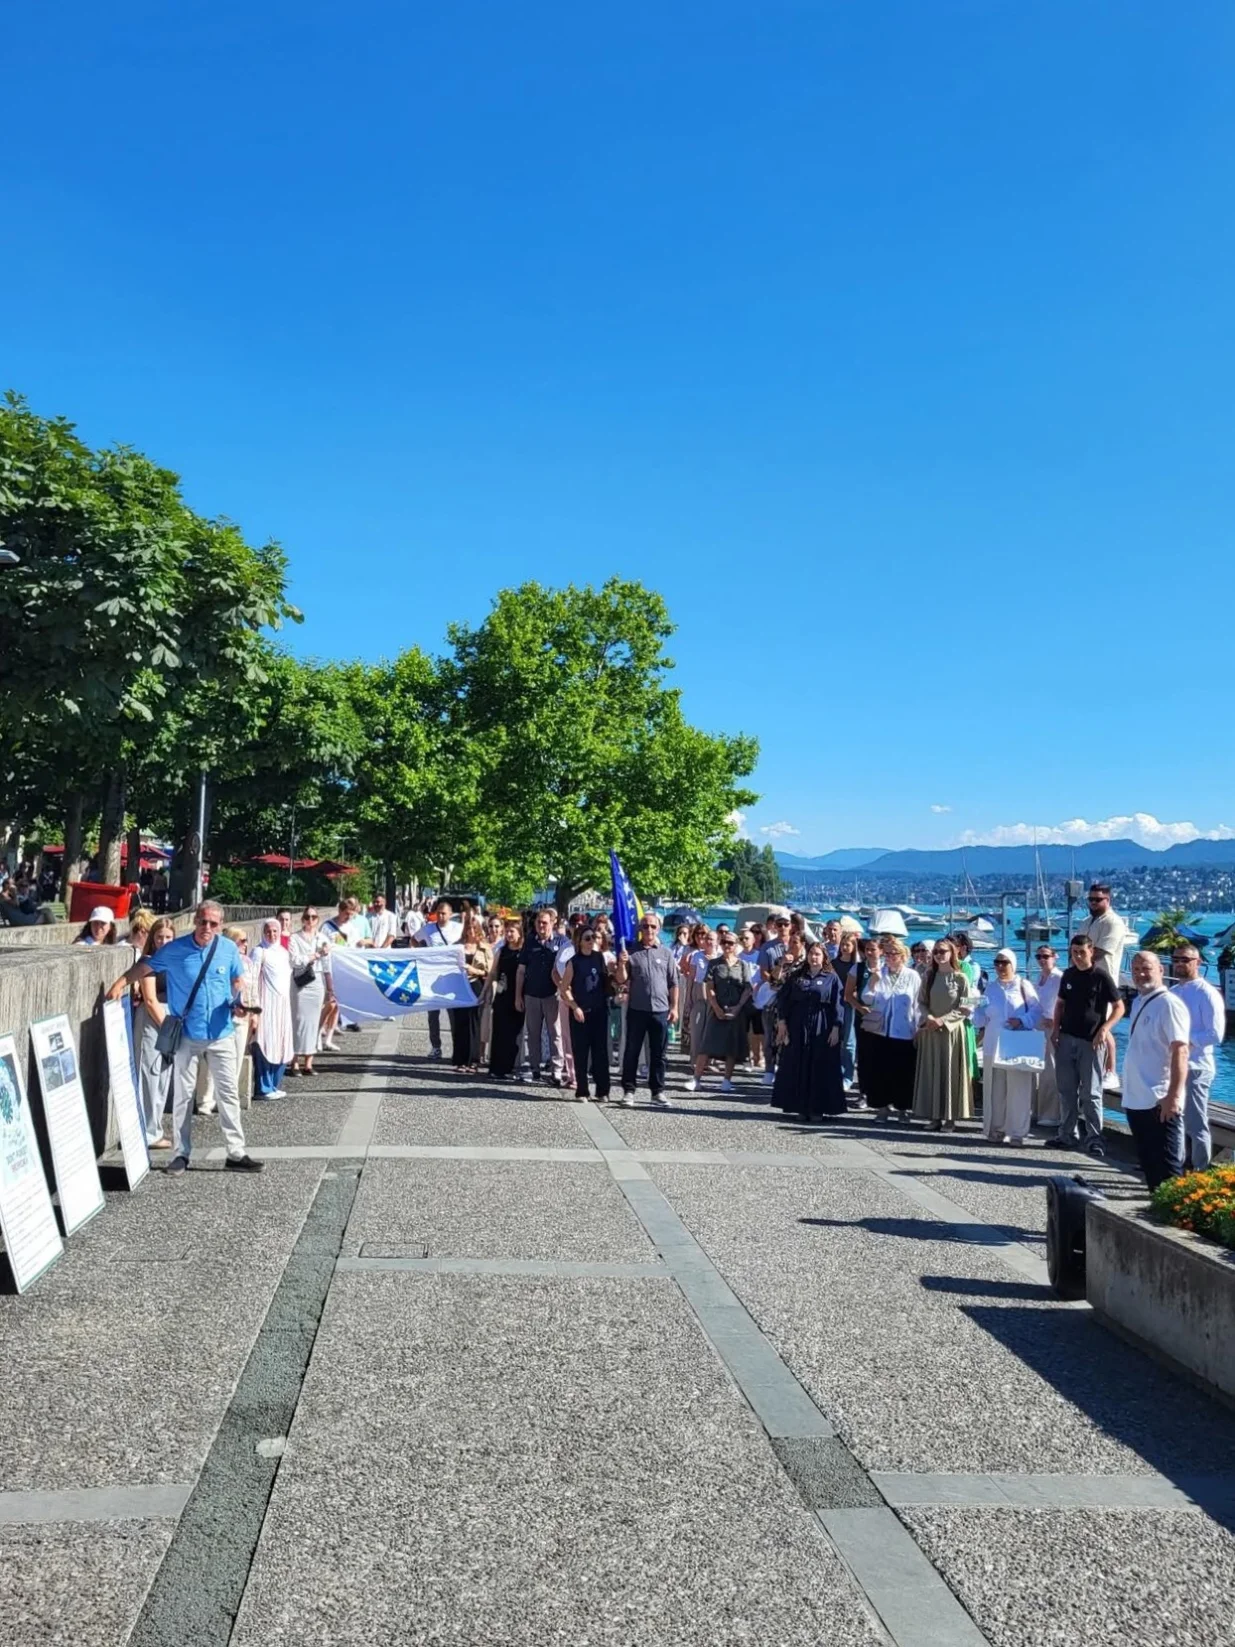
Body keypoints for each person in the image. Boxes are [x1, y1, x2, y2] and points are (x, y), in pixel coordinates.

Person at [104, 900, 262, 1175]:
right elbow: (147, 966)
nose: (207, 928)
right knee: (183, 1097)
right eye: (203, 922)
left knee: (228, 1095)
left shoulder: (226, 948)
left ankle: (236, 1152)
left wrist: (238, 1000)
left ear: (220, 925)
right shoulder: (176, 950)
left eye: (213, 923)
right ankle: (181, 1154)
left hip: (221, 1032)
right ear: (195, 922)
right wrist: (121, 982)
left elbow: (237, 979)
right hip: (188, 1034)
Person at [1047, 933, 1125, 1155]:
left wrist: (1105, 1028)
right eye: (1074, 952)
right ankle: (1067, 1134)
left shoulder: (1101, 977)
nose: (1078, 956)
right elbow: (1060, 1004)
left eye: (1082, 952)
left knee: (1091, 1093)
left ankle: (1094, 1138)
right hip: (1066, 1037)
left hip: (1090, 1041)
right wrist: (1055, 1029)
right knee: (1066, 1090)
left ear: (1091, 952)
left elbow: (1119, 1007)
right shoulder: (1068, 975)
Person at [1122, 951, 1189, 1190]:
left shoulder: (1169, 1004)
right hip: (1137, 1097)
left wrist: (1173, 1096)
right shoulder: (1140, 1001)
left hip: (1158, 1099)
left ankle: (1176, 1221)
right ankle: (1157, 1212)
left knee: (1168, 1168)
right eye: (1136, 969)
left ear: (1161, 970)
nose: (1140, 974)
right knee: (1149, 1164)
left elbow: (1180, 1050)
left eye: (1146, 968)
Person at [772, 940, 845, 1122]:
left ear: (824, 957)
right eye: (811, 953)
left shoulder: (832, 978)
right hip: (798, 1025)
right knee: (798, 1063)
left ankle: (817, 1108)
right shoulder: (797, 976)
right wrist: (782, 1023)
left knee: (819, 1066)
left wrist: (836, 1027)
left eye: (818, 954)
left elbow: (839, 1005)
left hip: (823, 1025)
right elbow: (783, 1000)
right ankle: (799, 1107)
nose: (814, 957)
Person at [973, 950, 1041, 1146]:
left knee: (1019, 1090)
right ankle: (996, 1129)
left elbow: (1037, 1011)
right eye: (997, 963)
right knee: (996, 1090)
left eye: (1004, 963)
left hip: (1016, 1046)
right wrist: (973, 1006)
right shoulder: (990, 989)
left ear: (1013, 964)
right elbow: (980, 1019)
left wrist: (1022, 1020)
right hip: (993, 1046)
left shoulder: (1023, 985)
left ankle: (1018, 1133)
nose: (1000, 967)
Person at [614, 912, 679, 1107]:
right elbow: (621, 979)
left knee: (659, 1053)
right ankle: (629, 1090)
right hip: (637, 1009)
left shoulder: (666, 953)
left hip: (660, 1010)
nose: (649, 930)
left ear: (658, 928)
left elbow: (673, 983)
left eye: (652, 926)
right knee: (632, 1051)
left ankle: (657, 1091)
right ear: (640, 929)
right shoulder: (632, 951)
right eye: (645, 926)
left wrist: (674, 1007)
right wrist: (622, 963)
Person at [1171, 945, 1226, 1172]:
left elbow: (1215, 1034)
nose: (1180, 963)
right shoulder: (1173, 991)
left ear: (1198, 962)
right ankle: (1177, 1165)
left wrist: (1183, 1040)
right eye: (1176, 959)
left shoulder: (1207, 993)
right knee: (1175, 1120)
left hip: (1196, 1066)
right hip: (1174, 1066)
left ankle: (1200, 1170)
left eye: (1186, 959)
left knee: (1196, 1122)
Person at [912, 938, 973, 1131]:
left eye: (943, 951)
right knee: (933, 1072)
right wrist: (928, 1017)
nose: (939, 955)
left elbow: (966, 1007)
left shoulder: (960, 978)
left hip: (951, 1033)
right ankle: (934, 1116)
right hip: (931, 1031)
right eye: (936, 952)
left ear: (952, 953)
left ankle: (950, 1119)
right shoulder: (929, 975)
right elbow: (921, 1001)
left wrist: (943, 1020)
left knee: (949, 1072)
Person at [688, 931, 751, 1094]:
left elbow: (747, 989)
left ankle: (727, 1080)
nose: (727, 946)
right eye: (724, 942)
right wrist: (716, 1008)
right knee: (707, 1044)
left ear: (736, 945)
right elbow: (710, 987)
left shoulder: (743, 965)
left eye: (730, 943)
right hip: (717, 1008)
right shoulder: (715, 963)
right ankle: (696, 1079)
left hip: (736, 1009)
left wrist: (738, 1008)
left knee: (731, 1046)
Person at [134, 917, 176, 1148]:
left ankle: (155, 1127)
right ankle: (147, 1131)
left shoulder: (175, 961)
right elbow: (149, 999)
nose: (164, 941)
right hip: (153, 1019)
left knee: (163, 1075)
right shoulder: (149, 961)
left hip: (170, 1019)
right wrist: (167, 1026)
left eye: (168, 937)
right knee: (148, 1074)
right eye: (159, 937)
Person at [868, 938, 921, 1122]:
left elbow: (917, 1005)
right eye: (887, 953)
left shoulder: (912, 976)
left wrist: (917, 1029)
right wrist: (873, 982)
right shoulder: (880, 972)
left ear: (903, 956)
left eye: (894, 954)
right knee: (881, 1071)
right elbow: (867, 998)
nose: (889, 957)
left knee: (903, 1072)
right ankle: (882, 1107)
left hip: (904, 1031)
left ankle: (903, 1108)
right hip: (881, 1030)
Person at [560, 926, 611, 1101]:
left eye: (594, 938)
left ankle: (603, 1090)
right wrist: (575, 1007)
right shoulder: (573, 962)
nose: (592, 941)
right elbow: (564, 989)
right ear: (580, 941)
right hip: (581, 1013)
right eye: (588, 938)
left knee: (600, 1053)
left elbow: (606, 980)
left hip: (599, 1011)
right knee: (581, 1053)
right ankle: (582, 1090)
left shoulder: (599, 958)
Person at [515, 909, 564, 1085]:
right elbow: (521, 971)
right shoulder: (529, 943)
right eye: (538, 923)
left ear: (552, 923)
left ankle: (557, 1069)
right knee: (533, 1033)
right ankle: (535, 1067)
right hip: (532, 994)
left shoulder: (562, 942)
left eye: (544, 922)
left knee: (555, 1033)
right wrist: (517, 996)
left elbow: (568, 969)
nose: (541, 926)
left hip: (553, 995)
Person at [250, 918, 295, 1100]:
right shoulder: (259, 952)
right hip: (266, 1004)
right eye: (268, 931)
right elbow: (252, 980)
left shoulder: (283, 952)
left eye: (275, 931)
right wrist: (254, 1008)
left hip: (282, 1005)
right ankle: (263, 1087)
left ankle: (274, 1084)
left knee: (282, 1043)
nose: (272, 935)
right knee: (265, 1042)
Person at [414, 899, 463, 1061]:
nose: (441, 916)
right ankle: (436, 1047)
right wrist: (420, 955)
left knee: (453, 1015)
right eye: (439, 913)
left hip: (451, 977)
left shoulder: (458, 928)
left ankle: (458, 1047)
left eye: (444, 913)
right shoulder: (428, 929)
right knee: (433, 1015)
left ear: (450, 915)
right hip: (432, 976)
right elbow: (414, 939)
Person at [289, 907, 332, 1077]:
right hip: (301, 981)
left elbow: (327, 965)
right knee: (298, 1021)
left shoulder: (322, 938)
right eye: (307, 917)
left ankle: (309, 1061)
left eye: (314, 917)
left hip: (317, 982)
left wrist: (331, 988)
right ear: (303, 919)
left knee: (314, 1022)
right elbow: (295, 961)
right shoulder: (295, 938)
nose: (310, 920)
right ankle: (294, 1061)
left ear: (317, 920)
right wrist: (314, 955)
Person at [845, 937, 884, 1111]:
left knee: (882, 1055)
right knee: (864, 1055)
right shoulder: (858, 967)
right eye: (867, 949)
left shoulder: (887, 967)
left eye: (873, 949)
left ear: (881, 951)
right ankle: (864, 1093)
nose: (869, 952)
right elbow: (848, 994)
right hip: (864, 1016)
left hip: (885, 1015)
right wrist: (860, 1008)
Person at [449, 911, 491, 1070]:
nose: (471, 932)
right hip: (459, 988)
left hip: (476, 986)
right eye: (469, 928)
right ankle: (460, 1060)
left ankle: (473, 1060)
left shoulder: (484, 948)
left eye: (474, 928)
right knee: (460, 1023)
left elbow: (489, 971)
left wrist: (473, 970)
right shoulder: (457, 946)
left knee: (474, 1023)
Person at [487, 918, 526, 1080]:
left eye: (512, 932)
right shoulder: (501, 951)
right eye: (508, 931)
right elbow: (493, 972)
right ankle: (496, 1067)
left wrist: (519, 997)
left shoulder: (523, 953)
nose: (509, 934)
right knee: (499, 1032)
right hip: (502, 995)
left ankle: (510, 1067)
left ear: (519, 934)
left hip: (517, 995)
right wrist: (486, 993)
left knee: (513, 1034)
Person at [757, 914, 792, 1086]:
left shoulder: (797, 945)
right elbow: (763, 971)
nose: (783, 927)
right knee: (770, 1033)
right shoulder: (768, 947)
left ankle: (786, 1068)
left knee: (789, 1035)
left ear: (791, 926)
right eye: (780, 924)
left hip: (792, 996)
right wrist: (774, 982)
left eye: (786, 924)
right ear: (775, 927)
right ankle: (769, 1069)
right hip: (773, 994)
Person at [1031, 946, 1063, 1128]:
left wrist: (1056, 1021)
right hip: (1038, 1028)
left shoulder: (1059, 978)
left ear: (1054, 957)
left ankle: (1052, 1113)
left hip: (1052, 1028)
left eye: (1045, 956)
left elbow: (1064, 1003)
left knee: (1051, 1071)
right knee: (1038, 1071)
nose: (1042, 960)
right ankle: (1038, 1110)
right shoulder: (1039, 978)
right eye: (1039, 956)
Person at [1077, 883, 1124, 982]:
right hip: (1082, 980)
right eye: (1090, 899)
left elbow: (1099, 953)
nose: (1093, 902)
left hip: (1103, 983)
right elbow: (1074, 947)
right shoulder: (1085, 922)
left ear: (1108, 900)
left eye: (1098, 900)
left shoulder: (1114, 922)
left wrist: (1076, 961)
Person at [832, 930, 859, 1090]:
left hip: (850, 1005)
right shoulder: (833, 964)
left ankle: (848, 1076)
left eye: (847, 945)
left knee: (848, 1042)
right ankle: (835, 1072)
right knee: (835, 1039)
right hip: (834, 1005)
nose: (844, 947)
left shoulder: (857, 966)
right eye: (842, 944)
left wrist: (852, 994)